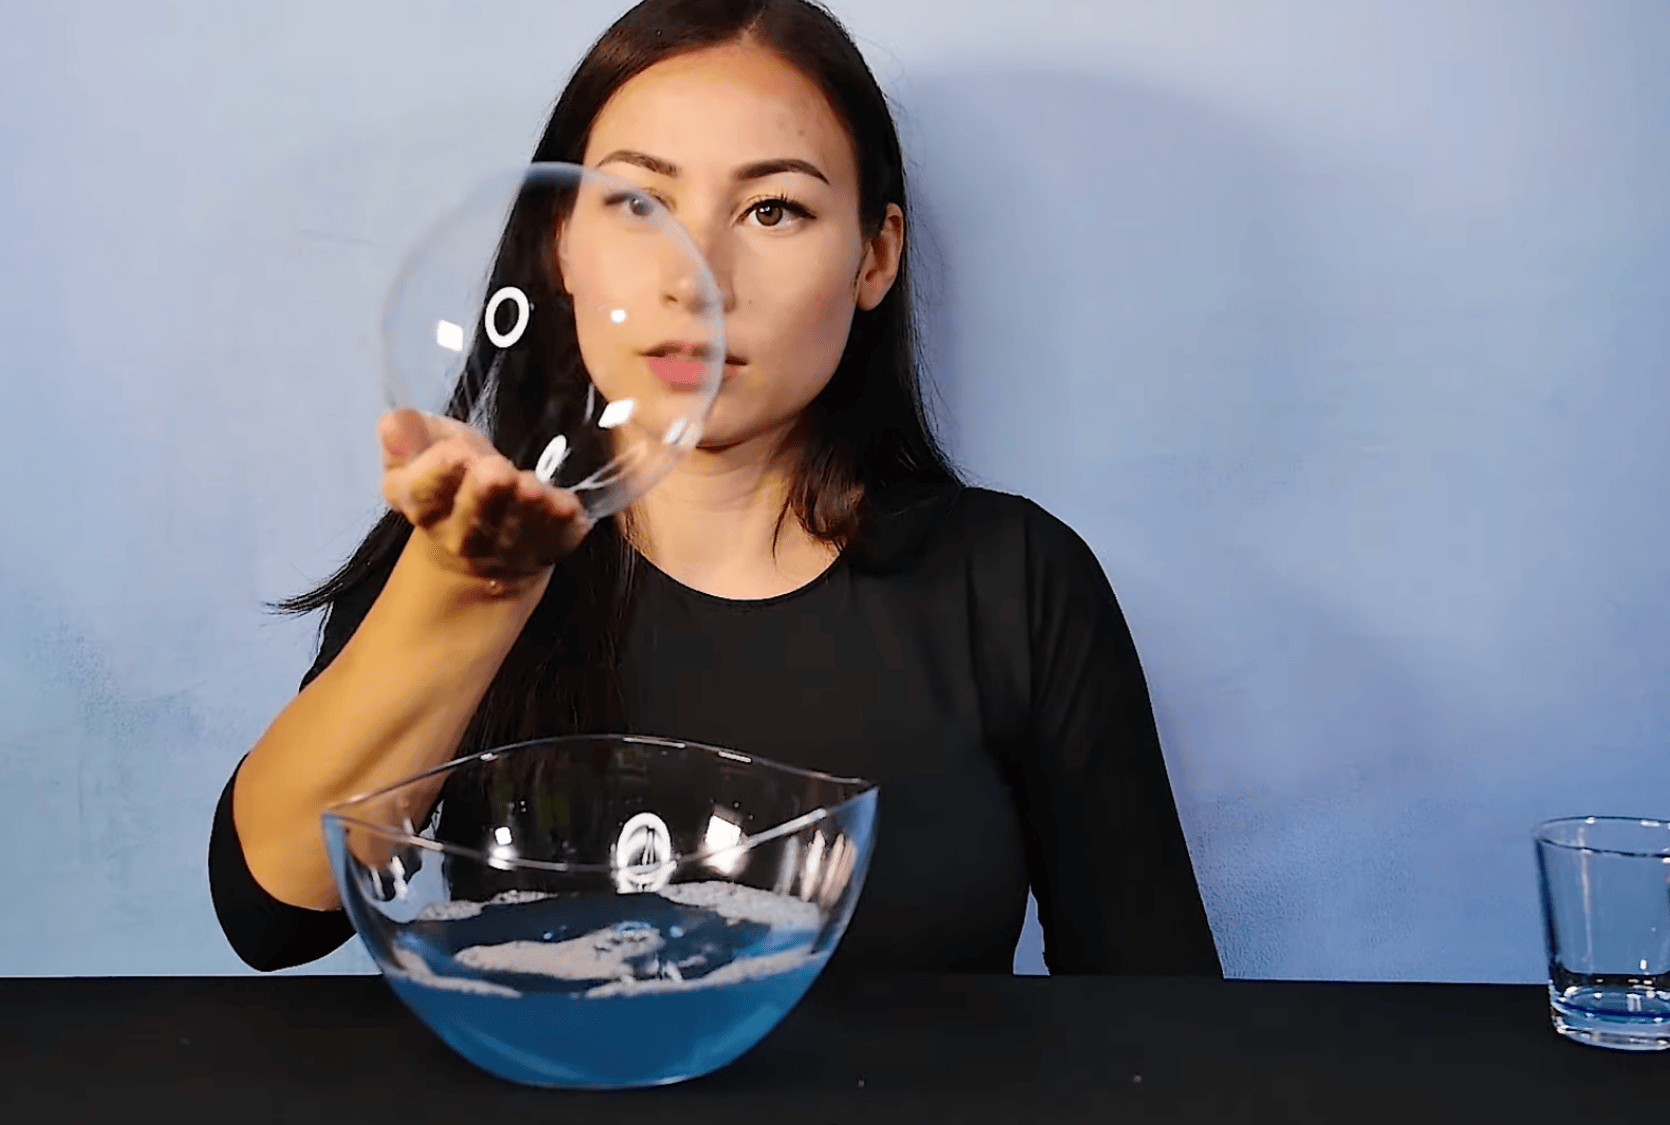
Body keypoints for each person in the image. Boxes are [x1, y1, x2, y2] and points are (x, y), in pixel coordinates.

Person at [210, 0, 1221, 978]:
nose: (697, 279)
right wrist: (464, 592)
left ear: (874, 255)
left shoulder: (1011, 582)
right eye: (636, 204)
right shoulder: (462, 543)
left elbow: (1157, 1014)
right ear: (562, 241)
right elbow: (272, 913)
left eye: (772, 209)